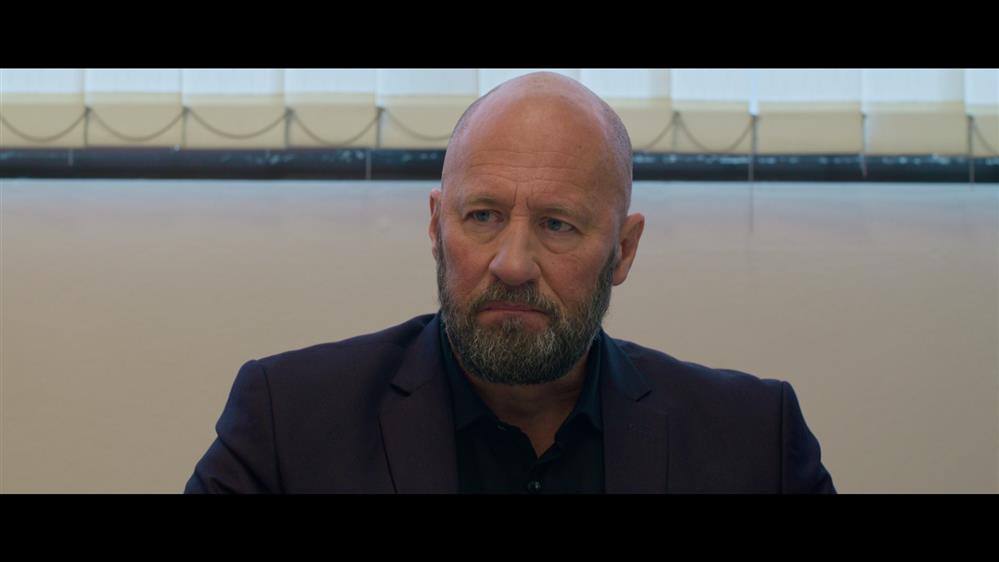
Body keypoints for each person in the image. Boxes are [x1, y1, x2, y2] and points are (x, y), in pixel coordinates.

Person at [184, 72, 835, 494]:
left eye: (557, 224)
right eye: (483, 216)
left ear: (623, 250)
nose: (512, 263)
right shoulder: (288, 424)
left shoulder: (754, 443)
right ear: (437, 227)